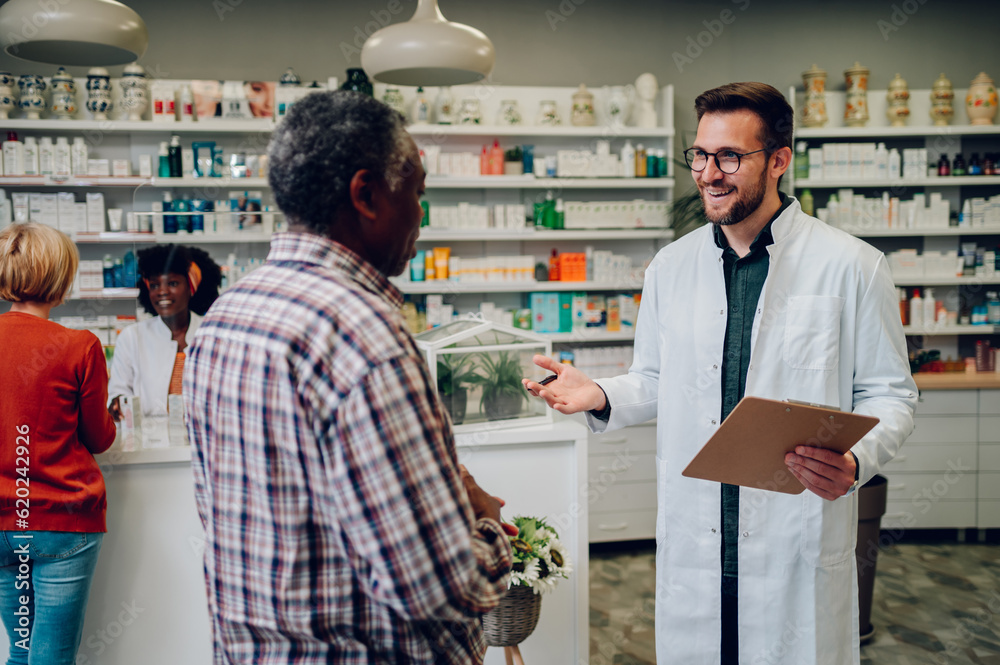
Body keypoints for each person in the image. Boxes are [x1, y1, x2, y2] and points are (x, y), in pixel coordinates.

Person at [524, 82, 917, 665]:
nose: (710, 174)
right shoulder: (671, 268)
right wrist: (600, 393)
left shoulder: (852, 266)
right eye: (701, 156)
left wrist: (856, 462)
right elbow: (656, 379)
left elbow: (891, 394)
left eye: (730, 157)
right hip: (698, 540)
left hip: (794, 533)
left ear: (779, 160)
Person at [183, 91, 514, 664]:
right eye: (416, 192)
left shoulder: (226, 315)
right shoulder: (366, 339)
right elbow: (442, 587)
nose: (420, 214)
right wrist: (484, 518)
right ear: (366, 194)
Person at [0, 223, 117, 664]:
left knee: (21, 650)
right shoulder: (79, 346)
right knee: (51, 658)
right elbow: (99, 438)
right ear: (61, 279)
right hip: (61, 522)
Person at [107, 244, 221, 423]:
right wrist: (118, 403)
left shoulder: (212, 334)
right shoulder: (132, 337)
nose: (162, 292)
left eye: (173, 283)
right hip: (149, 443)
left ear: (191, 287)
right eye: (154, 285)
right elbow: (118, 390)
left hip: (205, 435)